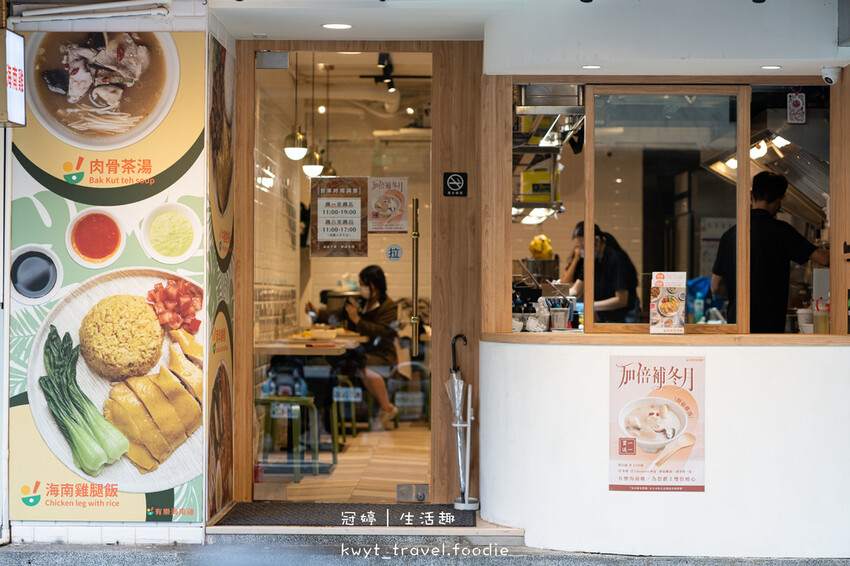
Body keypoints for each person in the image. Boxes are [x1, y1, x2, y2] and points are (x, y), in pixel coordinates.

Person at [711, 171, 829, 333]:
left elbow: (715, 287)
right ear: (781, 200)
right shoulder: (782, 231)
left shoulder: (731, 234)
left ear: (751, 194)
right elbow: (823, 259)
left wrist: (739, 297)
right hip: (771, 327)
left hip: (737, 327)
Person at [306, 265, 399, 429]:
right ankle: (384, 408)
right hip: (360, 351)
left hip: (381, 352)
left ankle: (387, 408)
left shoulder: (389, 306)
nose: (360, 287)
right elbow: (339, 314)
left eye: (363, 283)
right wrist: (318, 313)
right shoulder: (361, 301)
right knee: (354, 368)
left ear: (374, 285)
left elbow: (382, 331)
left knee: (366, 370)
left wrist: (357, 320)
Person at [568, 222, 639, 323]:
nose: (582, 252)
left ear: (597, 240)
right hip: (605, 317)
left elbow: (622, 300)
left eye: (583, 247)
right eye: (579, 248)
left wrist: (589, 306)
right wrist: (557, 295)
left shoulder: (616, 259)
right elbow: (576, 290)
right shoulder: (591, 259)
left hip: (624, 316)